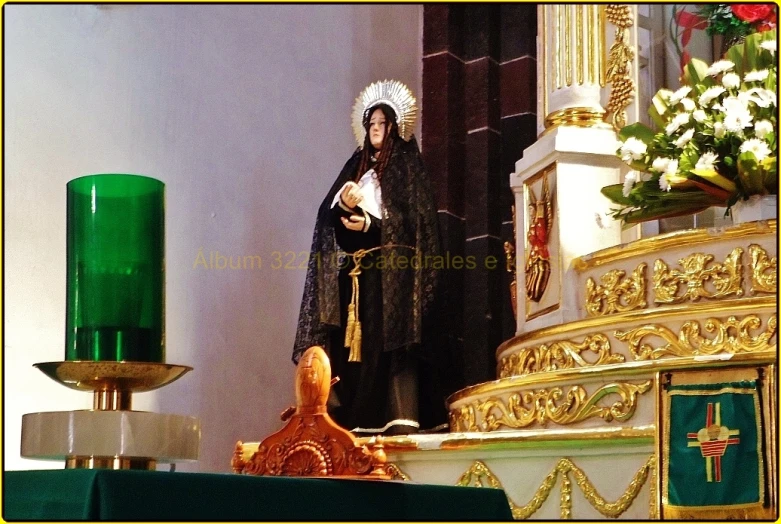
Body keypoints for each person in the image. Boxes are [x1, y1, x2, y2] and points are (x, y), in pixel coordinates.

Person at [293, 81, 443, 435]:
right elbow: (327, 219)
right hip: (355, 274)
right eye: (370, 124)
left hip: (391, 277)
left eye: (381, 124)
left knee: (384, 343)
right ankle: (353, 415)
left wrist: (373, 224)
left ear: (393, 126)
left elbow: (416, 223)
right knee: (351, 347)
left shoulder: (407, 168)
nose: (375, 130)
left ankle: (394, 414)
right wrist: (344, 209)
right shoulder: (355, 168)